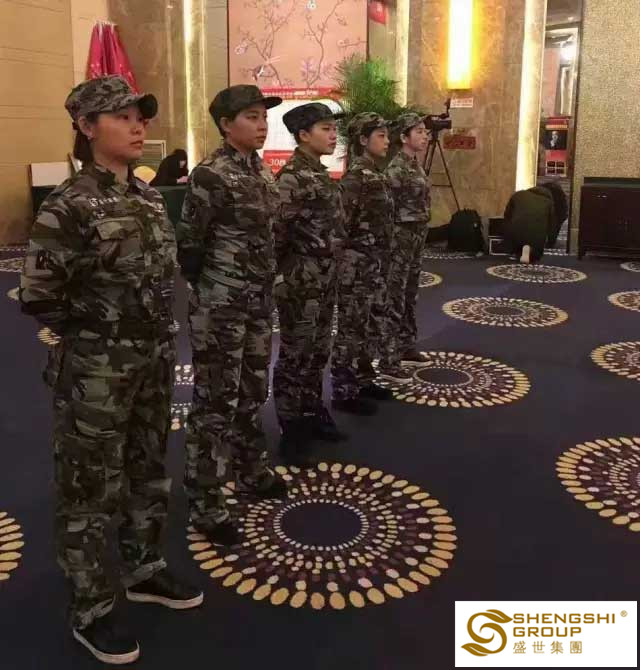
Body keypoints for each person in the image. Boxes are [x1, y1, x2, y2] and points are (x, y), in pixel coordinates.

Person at [19, 75, 202, 666]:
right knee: (89, 487)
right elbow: (39, 294)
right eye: (121, 116)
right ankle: (91, 606)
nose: (137, 125)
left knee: (147, 469)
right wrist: (100, 331)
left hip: (153, 359)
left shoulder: (146, 195)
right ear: (86, 126)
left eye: (139, 115)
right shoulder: (67, 204)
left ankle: (144, 567)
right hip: (96, 369)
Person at [176, 85, 288, 548]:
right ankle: (205, 500)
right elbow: (190, 243)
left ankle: (249, 470)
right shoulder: (211, 174)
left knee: (252, 389)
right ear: (225, 124)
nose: (262, 125)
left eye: (264, 116)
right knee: (215, 401)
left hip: (258, 302)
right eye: (251, 117)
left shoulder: (259, 169)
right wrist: (213, 287)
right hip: (221, 305)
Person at [273, 103, 348, 467]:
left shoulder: (318, 173)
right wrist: (285, 276)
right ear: (303, 135)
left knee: (318, 350)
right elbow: (277, 234)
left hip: (324, 277)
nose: (334, 136)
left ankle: (312, 410)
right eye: (325, 129)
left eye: (334, 129)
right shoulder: (292, 178)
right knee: (296, 353)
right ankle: (291, 427)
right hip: (301, 281)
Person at [331, 112, 398, 416]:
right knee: (351, 328)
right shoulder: (355, 178)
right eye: (380, 136)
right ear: (362, 140)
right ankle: (343, 391)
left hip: (375, 264)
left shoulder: (376, 173)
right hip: (356, 267)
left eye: (387, 135)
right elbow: (342, 226)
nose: (387, 142)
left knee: (371, 324)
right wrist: (344, 267)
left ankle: (363, 379)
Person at [379, 113, 432, 373]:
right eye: (419, 131)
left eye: (425, 131)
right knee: (394, 296)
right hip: (399, 239)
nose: (425, 136)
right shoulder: (395, 169)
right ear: (403, 137)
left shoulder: (415, 165)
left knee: (410, 293)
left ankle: (406, 345)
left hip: (416, 237)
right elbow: (386, 210)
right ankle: (389, 357)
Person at [503, 181, 568, 263]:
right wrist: (551, 241)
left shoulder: (518, 195)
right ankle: (529, 250)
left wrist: (506, 230)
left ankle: (521, 249)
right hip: (536, 233)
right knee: (535, 249)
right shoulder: (548, 202)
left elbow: (507, 215)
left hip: (516, 231)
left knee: (518, 236)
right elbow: (552, 225)